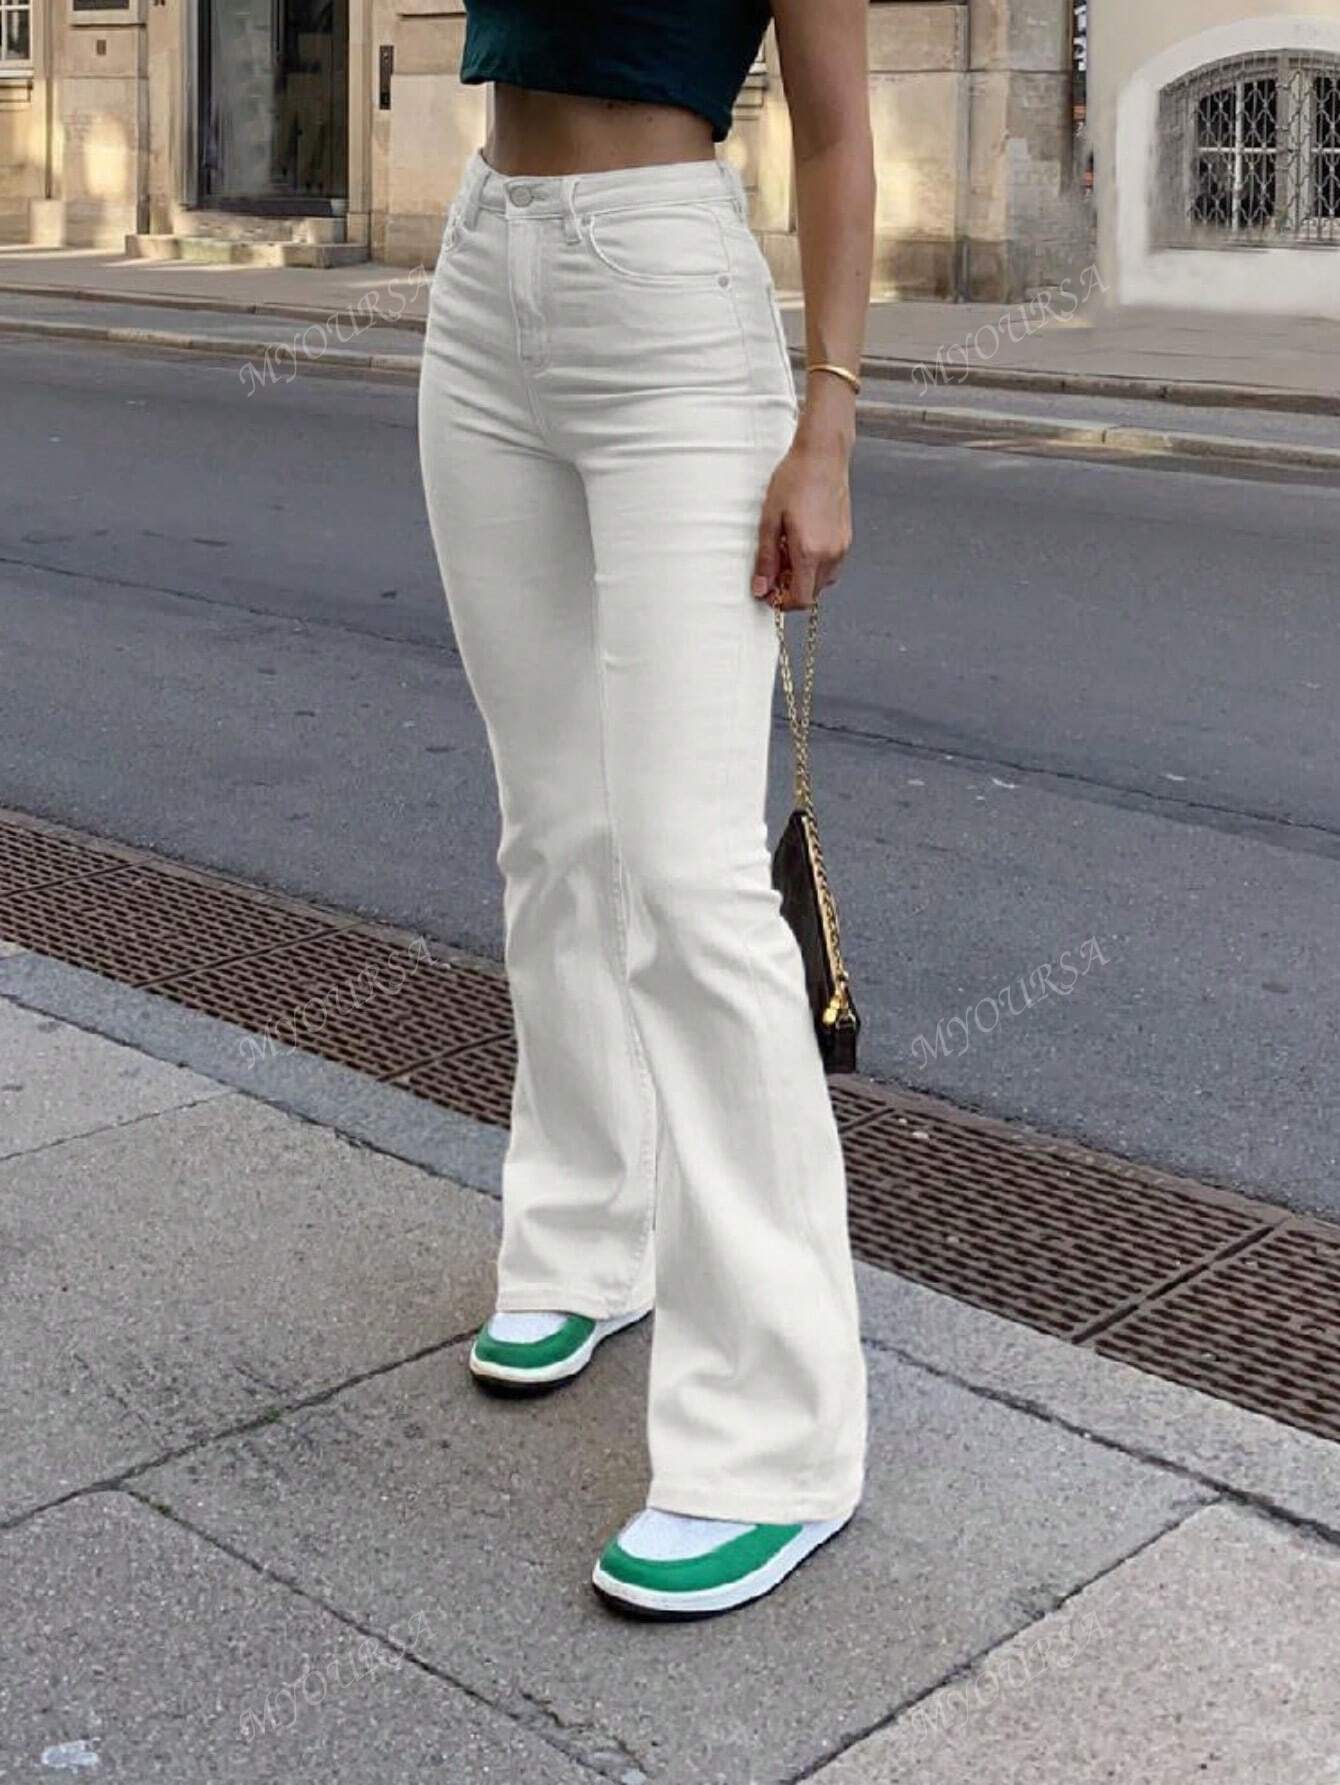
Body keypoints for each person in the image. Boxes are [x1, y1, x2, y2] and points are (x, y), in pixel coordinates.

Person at [417, 0, 873, 1619]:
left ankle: (778, 1437)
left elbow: (837, 129)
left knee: (691, 881)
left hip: (673, 309)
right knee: (552, 828)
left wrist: (827, 425)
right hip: (485, 275)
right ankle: (584, 1235)